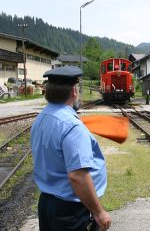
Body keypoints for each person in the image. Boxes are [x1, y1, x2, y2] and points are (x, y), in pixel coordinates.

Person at [30, 66, 111, 231]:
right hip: (69, 212)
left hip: (47, 203)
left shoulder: (42, 118)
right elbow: (78, 176)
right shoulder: (72, 126)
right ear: (74, 91)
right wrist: (98, 212)